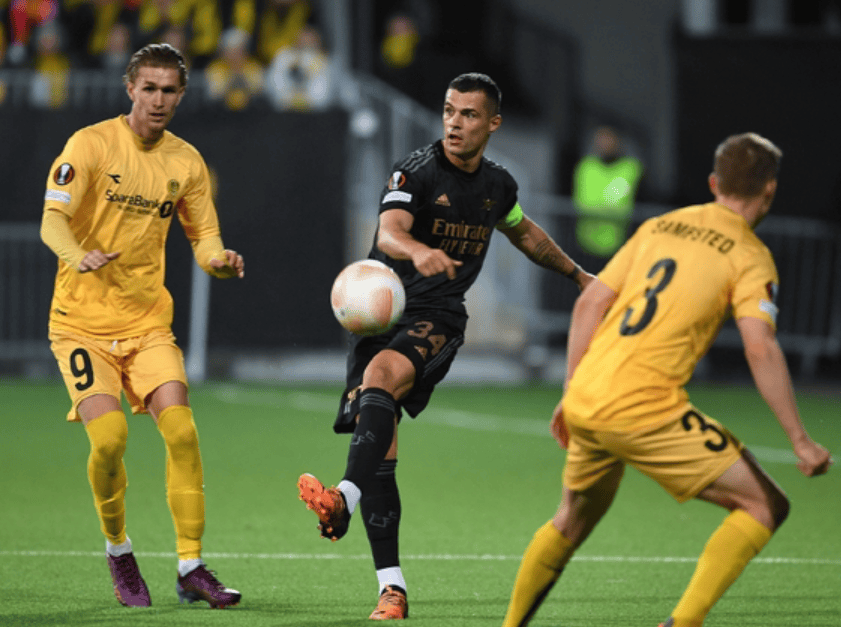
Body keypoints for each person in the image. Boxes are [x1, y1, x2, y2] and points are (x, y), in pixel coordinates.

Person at [501, 132, 833, 627]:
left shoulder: (660, 226)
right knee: (765, 504)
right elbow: (760, 346)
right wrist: (800, 440)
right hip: (644, 407)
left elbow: (591, 301)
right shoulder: (750, 255)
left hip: (589, 395)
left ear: (714, 183)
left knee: (571, 520)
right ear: (769, 190)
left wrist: (571, 392)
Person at [297, 73, 595, 620]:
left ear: (492, 123)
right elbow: (389, 232)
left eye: (469, 115)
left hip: (436, 317)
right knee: (380, 452)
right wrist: (415, 250)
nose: (455, 123)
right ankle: (392, 589)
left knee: (380, 380)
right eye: (449, 111)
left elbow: (524, 232)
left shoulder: (498, 186)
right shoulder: (415, 171)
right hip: (379, 316)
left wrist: (579, 276)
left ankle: (342, 498)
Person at [40, 43, 244, 609]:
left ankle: (191, 566)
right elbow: (52, 220)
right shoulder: (90, 144)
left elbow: (205, 237)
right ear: (130, 88)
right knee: (109, 441)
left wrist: (218, 261)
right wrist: (76, 254)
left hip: (148, 323)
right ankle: (119, 551)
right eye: (148, 88)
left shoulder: (186, 163)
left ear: (181, 95)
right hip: (81, 326)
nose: (158, 99)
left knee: (181, 431)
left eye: (169, 90)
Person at [572, 125, 644, 258]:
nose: (604, 143)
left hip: (618, 244)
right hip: (585, 244)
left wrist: (598, 209)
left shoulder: (631, 168)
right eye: (601, 139)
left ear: (618, 141)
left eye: (608, 138)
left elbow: (633, 204)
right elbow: (582, 203)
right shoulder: (586, 166)